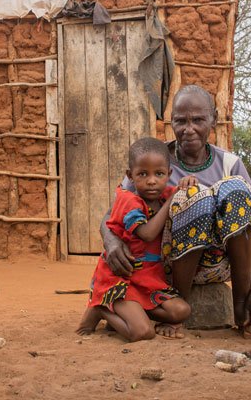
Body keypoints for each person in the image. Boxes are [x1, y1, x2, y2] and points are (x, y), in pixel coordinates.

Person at [101, 85, 251, 337]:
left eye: (198, 120)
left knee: (236, 189)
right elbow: (112, 213)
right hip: (163, 264)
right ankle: (178, 307)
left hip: (219, 263)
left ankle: (240, 307)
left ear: (213, 120)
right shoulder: (154, 160)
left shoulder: (230, 163)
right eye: (180, 121)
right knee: (193, 197)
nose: (189, 129)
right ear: (171, 122)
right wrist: (111, 242)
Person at [76, 137, 192, 341]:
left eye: (159, 174)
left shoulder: (164, 195)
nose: (151, 181)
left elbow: (182, 192)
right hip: (122, 278)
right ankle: (103, 307)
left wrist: (187, 183)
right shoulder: (129, 202)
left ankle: (131, 313)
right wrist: (172, 200)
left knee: (181, 310)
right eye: (142, 174)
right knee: (143, 332)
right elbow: (146, 234)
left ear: (169, 174)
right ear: (130, 176)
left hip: (148, 280)